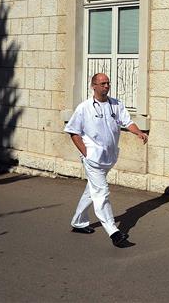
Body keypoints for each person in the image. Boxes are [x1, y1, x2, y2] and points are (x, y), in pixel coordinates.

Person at [64, 73, 148, 248]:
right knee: (102, 192)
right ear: (93, 86)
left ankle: (78, 222)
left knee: (92, 190)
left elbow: (127, 121)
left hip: (109, 157)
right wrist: (85, 152)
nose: (106, 86)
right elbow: (73, 131)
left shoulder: (115, 105)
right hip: (93, 159)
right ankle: (114, 233)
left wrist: (138, 132)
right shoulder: (84, 108)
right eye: (102, 83)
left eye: (108, 83)